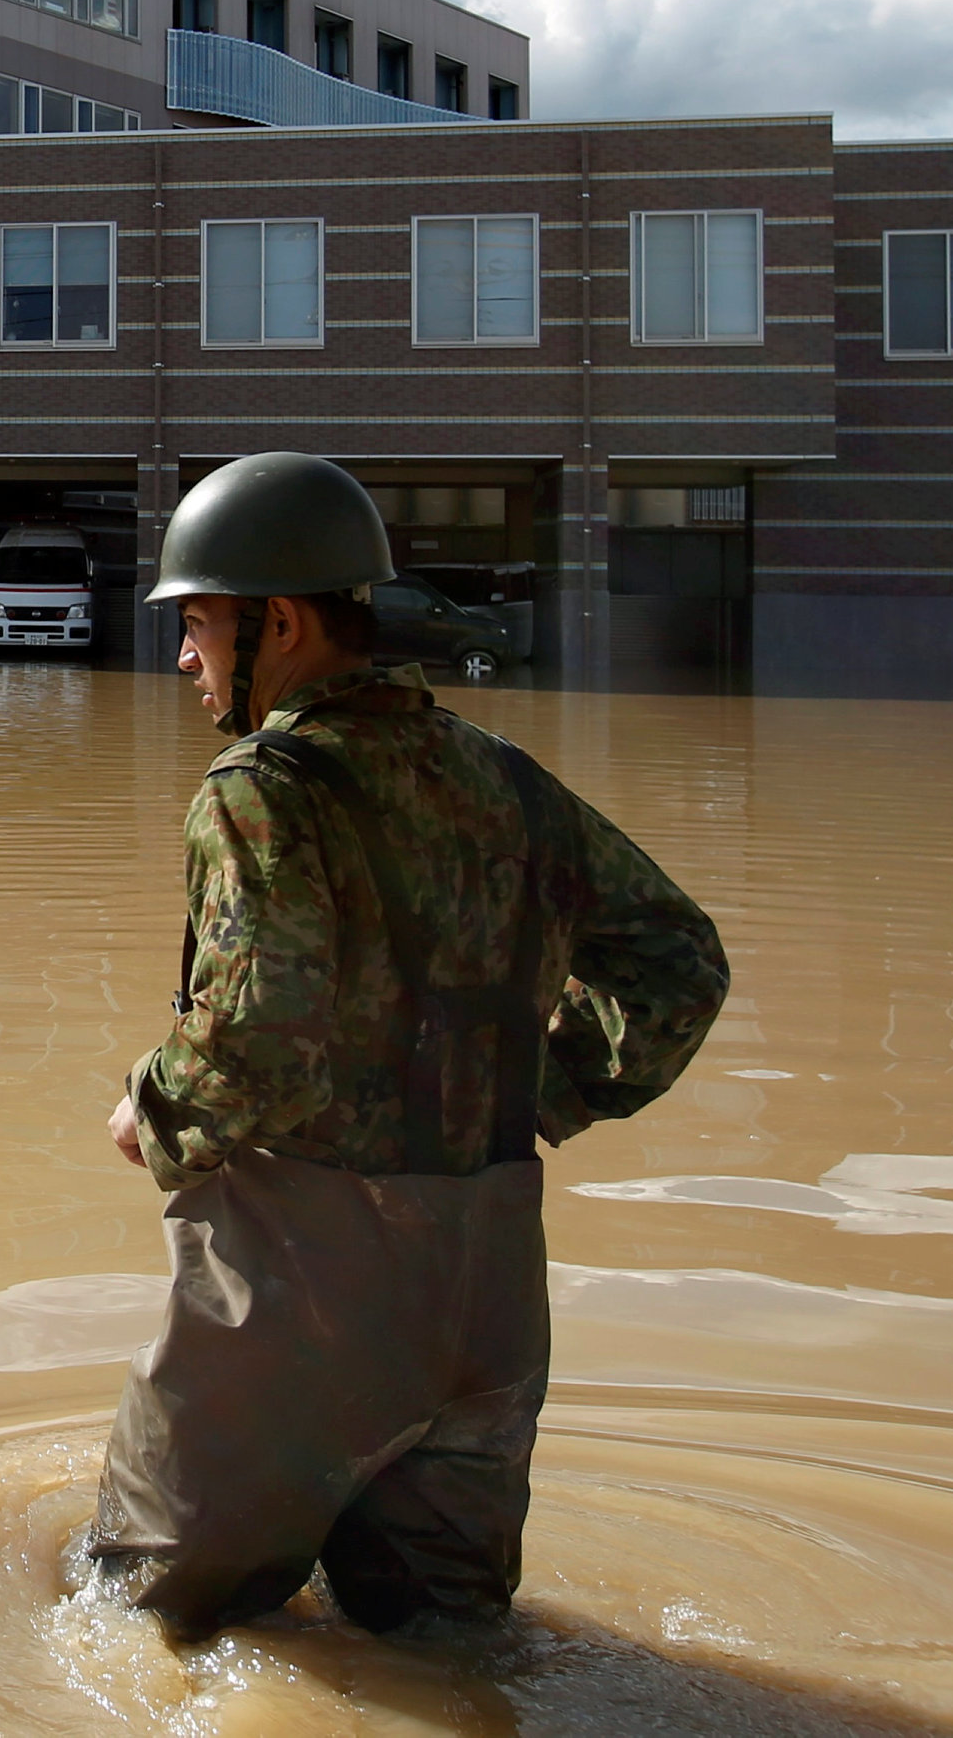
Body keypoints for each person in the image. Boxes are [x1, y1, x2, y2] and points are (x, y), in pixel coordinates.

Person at [86, 450, 729, 1638]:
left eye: (197, 624)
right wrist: (539, 1090)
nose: (182, 656)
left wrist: (154, 1111)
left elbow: (259, 1033)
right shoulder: (505, 780)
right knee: (443, 1650)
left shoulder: (259, 787)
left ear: (274, 623)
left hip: (296, 1303)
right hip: (485, 1298)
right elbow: (677, 962)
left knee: (134, 1622)